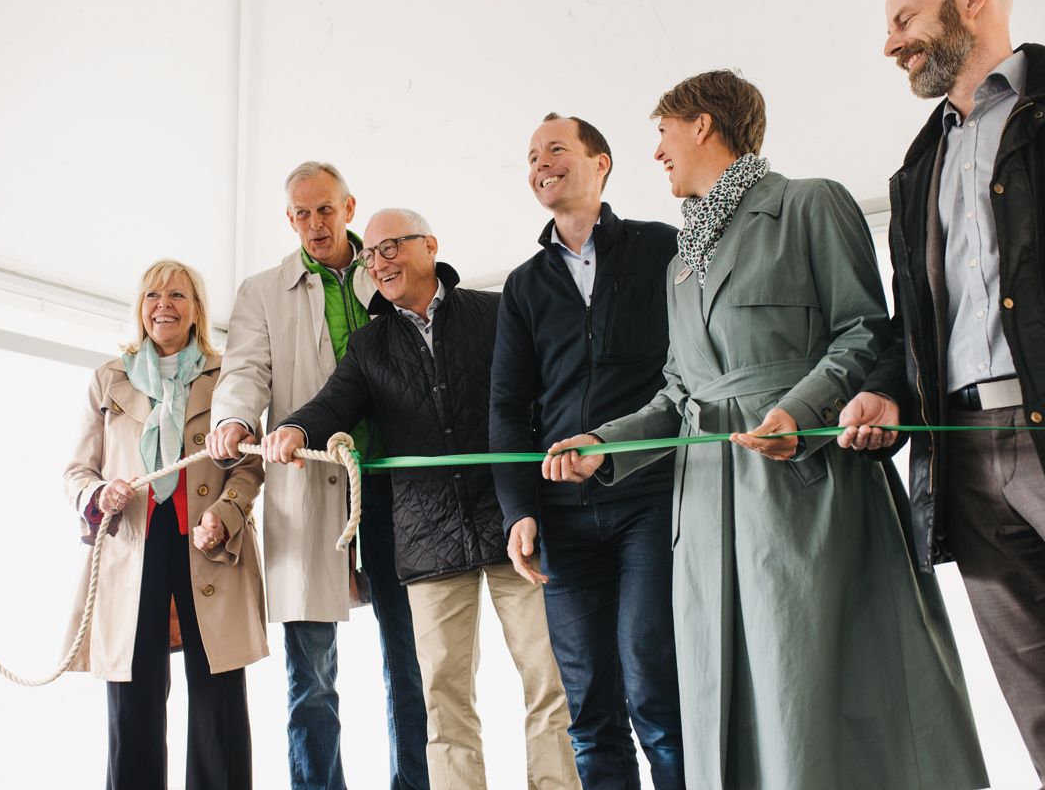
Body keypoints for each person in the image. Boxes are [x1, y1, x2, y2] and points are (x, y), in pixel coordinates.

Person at [546, 70, 989, 790]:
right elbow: (677, 393)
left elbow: (863, 334)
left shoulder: (810, 203)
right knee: (733, 698)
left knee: (815, 690)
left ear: (702, 125)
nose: (655, 153)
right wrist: (604, 445)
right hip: (708, 510)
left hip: (804, 487)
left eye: (662, 133)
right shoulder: (680, 264)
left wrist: (802, 411)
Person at [263, 208, 581, 790]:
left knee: (550, 680)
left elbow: (540, 397)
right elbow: (331, 406)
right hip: (427, 538)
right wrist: (295, 430)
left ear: (430, 246)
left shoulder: (495, 311)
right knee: (443, 698)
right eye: (371, 255)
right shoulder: (368, 344)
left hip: (515, 525)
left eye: (391, 248)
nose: (379, 262)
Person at [838, 0, 1045, 778]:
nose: (891, 45)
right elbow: (915, 322)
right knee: (1033, 693)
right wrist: (887, 385)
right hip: (962, 451)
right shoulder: (918, 164)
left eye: (903, 20)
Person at [206, 163, 429, 790]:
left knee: (409, 659)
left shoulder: (387, 273)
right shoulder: (262, 291)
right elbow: (245, 370)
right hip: (308, 488)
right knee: (310, 675)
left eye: (325, 210)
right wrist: (232, 419)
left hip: (395, 487)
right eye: (301, 214)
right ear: (289, 219)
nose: (314, 224)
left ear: (349, 208)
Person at [489, 113, 683, 789]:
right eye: (532, 155)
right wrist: (519, 510)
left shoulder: (664, 247)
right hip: (562, 520)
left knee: (654, 683)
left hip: (649, 502)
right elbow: (508, 410)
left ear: (601, 163)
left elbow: (687, 373)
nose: (542, 163)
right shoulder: (522, 285)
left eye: (557, 149)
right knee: (589, 706)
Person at [62, 260, 267, 790]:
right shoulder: (107, 379)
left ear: (196, 308)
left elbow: (247, 466)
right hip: (132, 550)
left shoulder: (229, 379)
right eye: (153, 295)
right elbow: (77, 472)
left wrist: (223, 516)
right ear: (140, 308)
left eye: (177, 294)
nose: (164, 304)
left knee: (219, 702)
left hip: (210, 549)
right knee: (133, 704)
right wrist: (95, 492)